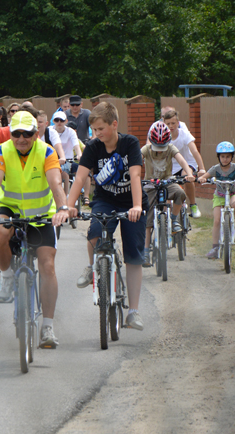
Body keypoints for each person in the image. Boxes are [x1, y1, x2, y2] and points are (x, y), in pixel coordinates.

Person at [0, 111, 69, 348]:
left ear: (36, 134)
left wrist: (62, 208)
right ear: (10, 134)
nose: (21, 138)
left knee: (47, 266)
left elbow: (56, 183)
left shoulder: (46, 151)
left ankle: (47, 326)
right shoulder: (2, 151)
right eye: (16, 133)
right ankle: (7, 275)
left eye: (26, 134)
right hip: (10, 209)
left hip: (42, 214)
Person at [68, 102, 146, 331]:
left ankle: (133, 312)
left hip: (132, 202)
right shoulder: (93, 147)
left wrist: (137, 206)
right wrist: (68, 206)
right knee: (94, 232)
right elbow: (80, 177)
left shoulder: (130, 143)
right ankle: (92, 267)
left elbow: (135, 175)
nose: (96, 134)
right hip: (106, 200)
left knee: (133, 255)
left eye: (101, 129)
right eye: (94, 129)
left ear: (114, 124)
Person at [140, 121, 195, 266]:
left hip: (167, 182)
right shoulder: (146, 149)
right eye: (157, 147)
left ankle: (174, 219)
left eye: (162, 147)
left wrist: (189, 173)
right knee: (147, 221)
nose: (160, 151)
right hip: (150, 185)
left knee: (180, 192)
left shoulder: (171, 148)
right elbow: (135, 161)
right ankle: (145, 252)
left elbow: (182, 160)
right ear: (151, 142)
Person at [162, 107, 205, 218]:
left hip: (187, 162)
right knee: (165, 186)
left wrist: (202, 169)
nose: (171, 126)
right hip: (170, 166)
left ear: (178, 123)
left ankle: (193, 204)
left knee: (186, 176)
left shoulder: (184, 134)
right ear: (164, 124)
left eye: (173, 123)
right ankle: (165, 216)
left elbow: (194, 151)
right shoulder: (162, 137)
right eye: (168, 124)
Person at [197, 142, 235, 258]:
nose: (225, 159)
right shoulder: (216, 168)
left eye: (228, 156)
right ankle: (215, 247)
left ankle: (232, 226)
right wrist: (202, 179)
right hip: (219, 196)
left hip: (233, 194)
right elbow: (204, 176)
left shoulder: (234, 168)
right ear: (218, 157)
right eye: (222, 156)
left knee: (234, 203)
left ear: (232, 157)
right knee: (217, 220)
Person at [52, 111, 82, 194]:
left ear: (66, 121)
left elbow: (76, 144)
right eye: (57, 120)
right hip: (52, 159)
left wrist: (79, 155)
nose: (59, 122)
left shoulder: (71, 132)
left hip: (67, 160)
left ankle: (65, 196)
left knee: (64, 172)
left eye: (61, 120)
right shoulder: (50, 130)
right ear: (53, 121)